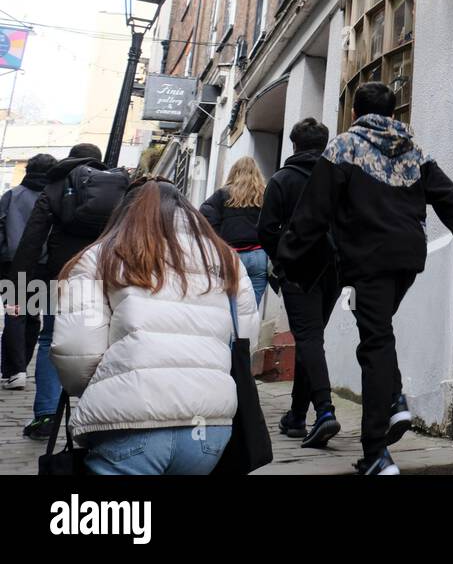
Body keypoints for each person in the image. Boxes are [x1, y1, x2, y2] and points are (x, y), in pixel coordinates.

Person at [280, 82, 453, 475]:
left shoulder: (345, 146)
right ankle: (395, 403)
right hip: (407, 259)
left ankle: (376, 452)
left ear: (355, 114)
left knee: (375, 342)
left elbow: (313, 211)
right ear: (393, 113)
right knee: (379, 331)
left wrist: (288, 260)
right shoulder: (412, 149)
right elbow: (447, 196)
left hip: (370, 259)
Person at [52, 177, 259, 475]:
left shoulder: (100, 256)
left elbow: (77, 350)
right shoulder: (225, 258)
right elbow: (245, 341)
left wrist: (105, 386)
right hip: (209, 427)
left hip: (130, 423)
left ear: (123, 213)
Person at [11, 143, 128, 440]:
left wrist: (18, 290)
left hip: (60, 275)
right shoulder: (116, 186)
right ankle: (100, 417)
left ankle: (47, 416)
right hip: (105, 274)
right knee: (108, 343)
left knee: (51, 338)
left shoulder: (54, 186)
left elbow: (32, 239)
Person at [258, 118, 341, 448]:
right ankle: (296, 416)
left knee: (308, 339)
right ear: (324, 145)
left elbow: (265, 229)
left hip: (298, 271)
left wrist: (282, 259)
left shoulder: (281, 181)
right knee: (312, 339)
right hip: (333, 271)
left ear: (293, 145)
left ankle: (324, 411)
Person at [0, 153, 58, 391]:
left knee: (15, 313)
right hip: (41, 263)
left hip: (12, 263)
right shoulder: (54, 196)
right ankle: (19, 366)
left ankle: (15, 370)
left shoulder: (12, 195)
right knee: (32, 315)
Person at [201, 157, 269, 308]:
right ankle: (247, 332)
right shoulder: (265, 195)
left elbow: (204, 215)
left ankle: (232, 331)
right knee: (251, 308)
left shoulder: (222, 195)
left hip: (231, 256)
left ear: (234, 172)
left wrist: (220, 238)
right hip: (259, 256)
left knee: (230, 307)